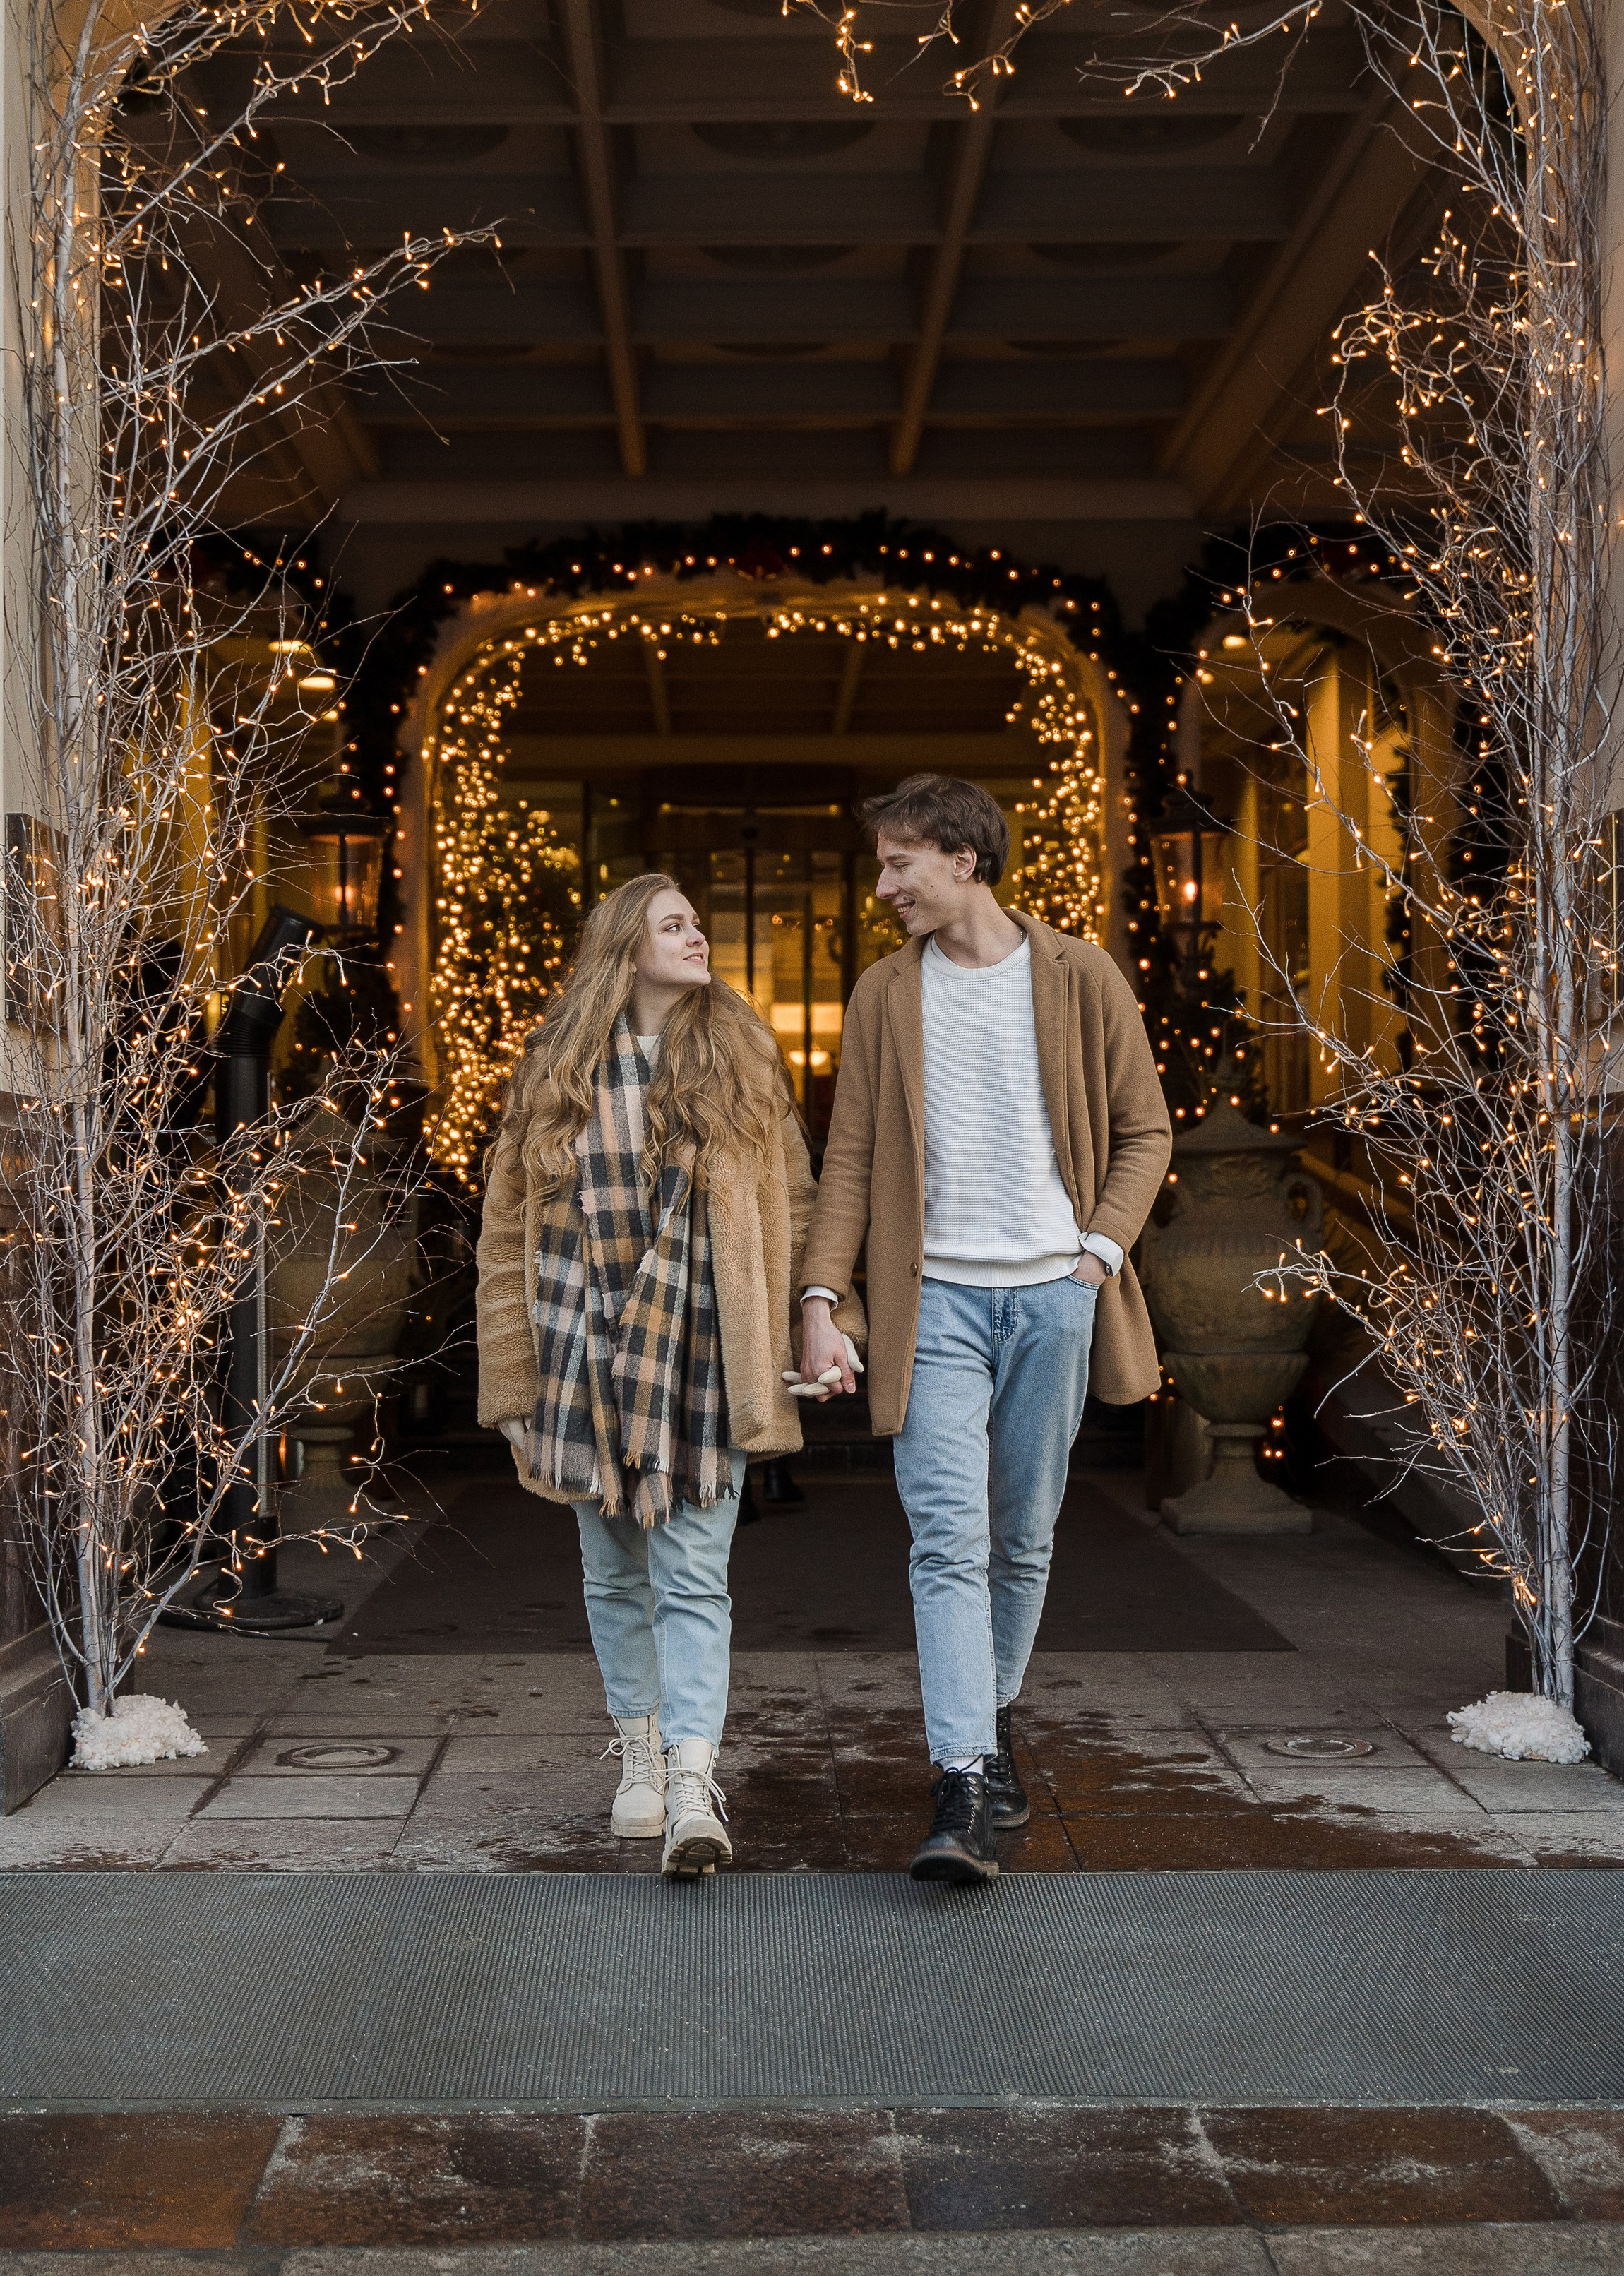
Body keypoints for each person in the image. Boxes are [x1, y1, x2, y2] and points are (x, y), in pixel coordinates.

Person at [796, 775, 1171, 1886]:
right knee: (946, 1538)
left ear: (963, 859)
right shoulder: (884, 994)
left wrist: (1095, 1255)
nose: (885, 886)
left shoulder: (1081, 974)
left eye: (898, 863)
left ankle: (991, 1719)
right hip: (938, 1307)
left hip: (1055, 1298)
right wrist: (822, 1297)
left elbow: (1146, 1131)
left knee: (1023, 1536)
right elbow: (851, 1159)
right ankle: (962, 1772)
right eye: (880, 866)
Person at [476, 871, 862, 1877]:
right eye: (675, 924)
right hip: (577, 1356)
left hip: (705, 1358)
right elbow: (501, 1239)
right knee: (612, 1575)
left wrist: (819, 1327)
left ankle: (693, 1779)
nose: (697, 938)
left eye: (696, 924)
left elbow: (805, 1206)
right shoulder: (551, 1073)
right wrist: (512, 1388)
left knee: (694, 1576)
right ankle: (638, 1755)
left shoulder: (743, 1067)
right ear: (625, 947)